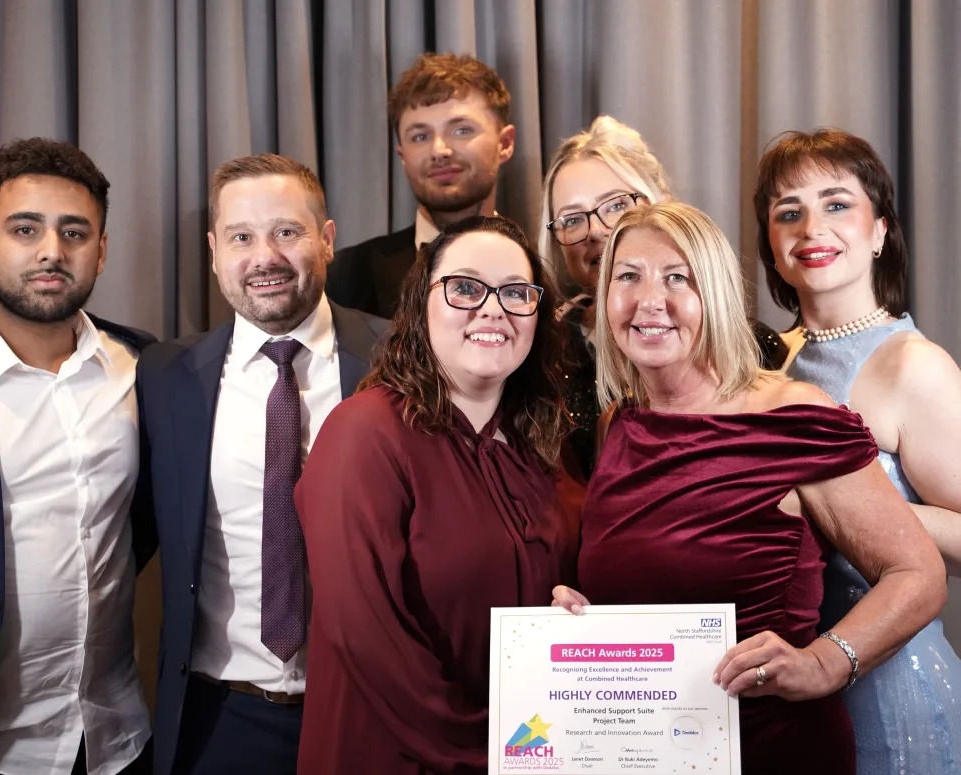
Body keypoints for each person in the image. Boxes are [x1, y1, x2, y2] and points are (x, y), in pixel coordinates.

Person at [552, 201, 946, 775]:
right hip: (650, 753)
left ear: (714, 294)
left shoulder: (795, 418)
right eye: (628, 276)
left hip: (774, 747)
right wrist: (583, 620)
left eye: (678, 278)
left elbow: (919, 574)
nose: (648, 300)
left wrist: (825, 663)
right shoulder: (621, 422)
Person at [295, 215, 578, 774]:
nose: (493, 309)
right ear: (421, 304)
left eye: (516, 293)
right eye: (466, 288)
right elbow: (367, 638)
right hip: (399, 754)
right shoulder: (365, 433)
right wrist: (493, 750)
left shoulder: (543, 444)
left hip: (524, 746)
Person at [134, 154, 387, 774]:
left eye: (287, 232)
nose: (264, 257)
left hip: (373, 713)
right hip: (220, 722)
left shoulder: (402, 357)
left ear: (326, 241)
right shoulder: (165, 377)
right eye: (242, 237)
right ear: (216, 251)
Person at [0, 138, 154, 775]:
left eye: (74, 232)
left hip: (116, 739)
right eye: (24, 229)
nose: (51, 252)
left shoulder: (148, 368)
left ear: (102, 251)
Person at [755, 127, 961, 773]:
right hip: (775, 686)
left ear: (879, 231)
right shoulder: (760, 362)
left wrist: (849, 501)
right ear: (771, 243)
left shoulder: (914, 366)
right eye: (789, 211)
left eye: (837, 203)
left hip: (887, 685)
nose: (812, 225)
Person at [540, 116, 788, 480]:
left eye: (614, 205)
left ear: (661, 205)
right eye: (572, 219)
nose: (594, 230)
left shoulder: (753, 346)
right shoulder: (543, 357)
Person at [326, 52, 515, 318]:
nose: (439, 150)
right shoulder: (343, 278)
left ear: (504, 144)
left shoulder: (544, 268)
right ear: (402, 156)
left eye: (462, 130)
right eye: (420, 136)